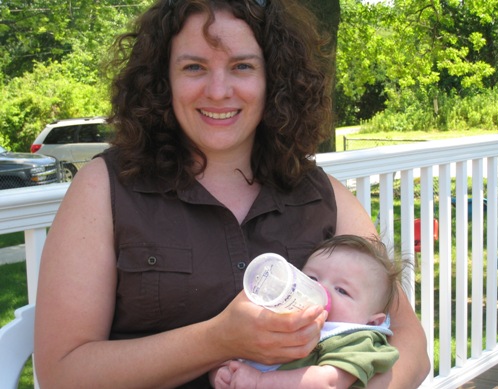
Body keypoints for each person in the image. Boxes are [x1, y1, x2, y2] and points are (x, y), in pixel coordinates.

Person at [33, 0, 429, 388]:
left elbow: (410, 344)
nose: (219, 91)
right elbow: (61, 372)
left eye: (242, 66)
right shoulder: (104, 188)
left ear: (274, 77)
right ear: (161, 79)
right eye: (194, 67)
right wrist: (218, 340)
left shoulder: (326, 197)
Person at [211, 234, 404, 389]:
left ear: (372, 322)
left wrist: (258, 382)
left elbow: (328, 382)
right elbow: (236, 352)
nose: (322, 290)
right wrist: (224, 374)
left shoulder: (357, 339)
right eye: (312, 278)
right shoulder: (283, 317)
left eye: (342, 290)